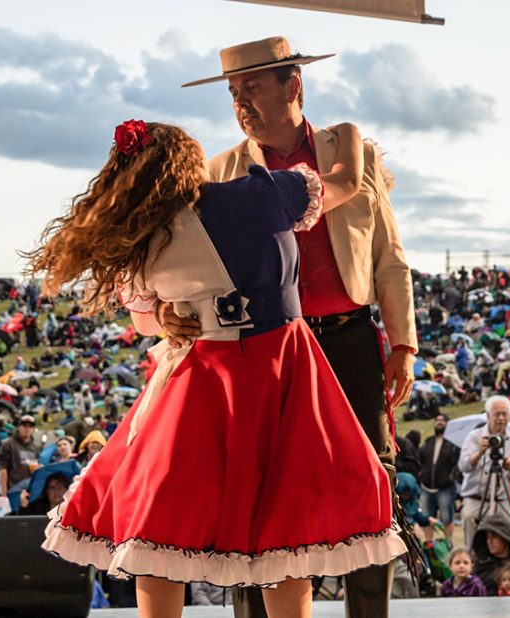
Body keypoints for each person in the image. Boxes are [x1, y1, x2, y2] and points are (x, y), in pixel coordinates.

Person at [31, 121, 404, 618]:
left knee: (162, 520)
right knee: (284, 525)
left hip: (200, 378)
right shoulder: (263, 194)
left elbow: (147, 320)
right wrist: (353, 137)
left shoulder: (144, 239)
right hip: (280, 370)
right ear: (189, 164)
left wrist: (172, 312)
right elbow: (344, 183)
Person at [170, 36, 418, 618]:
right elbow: (195, 271)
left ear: (294, 84)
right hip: (265, 348)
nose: (241, 103)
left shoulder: (353, 155)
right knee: (253, 490)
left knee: (369, 482)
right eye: (234, 93)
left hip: (348, 338)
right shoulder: (219, 172)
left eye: (252, 87)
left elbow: (390, 257)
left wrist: (403, 343)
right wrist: (167, 313)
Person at [459, 396, 510, 546]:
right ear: (488, 415)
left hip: (502, 499)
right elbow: (463, 466)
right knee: (470, 525)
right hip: (476, 496)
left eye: (504, 414)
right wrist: (479, 453)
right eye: (496, 414)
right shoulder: (474, 436)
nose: (500, 418)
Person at [418, 413, 461, 540]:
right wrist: (421, 475)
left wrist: (451, 478)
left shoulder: (453, 444)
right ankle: (428, 545)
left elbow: (458, 464)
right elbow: (421, 460)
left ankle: (447, 543)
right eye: (437, 420)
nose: (439, 422)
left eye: (443, 420)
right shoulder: (428, 441)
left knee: (447, 518)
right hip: (426, 488)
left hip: (446, 488)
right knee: (426, 519)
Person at [0, 415, 40, 496]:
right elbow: (3, 469)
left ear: (33, 429)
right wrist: (4, 492)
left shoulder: (35, 447)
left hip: (28, 490)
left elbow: (34, 469)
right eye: (24, 426)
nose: (27, 429)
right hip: (12, 489)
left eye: (30, 426)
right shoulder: (8, 444)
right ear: (19, 427)